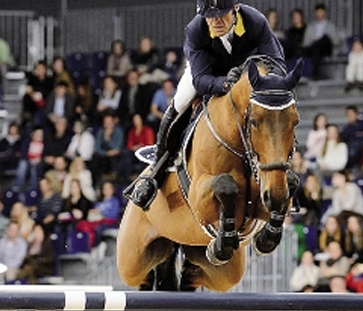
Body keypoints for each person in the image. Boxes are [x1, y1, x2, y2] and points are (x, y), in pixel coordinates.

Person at [131, 0, 287, 208]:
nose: (215, 21)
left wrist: (264, 81)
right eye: (209, 16)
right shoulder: (196, 29)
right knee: (179, 102)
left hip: (245, 75)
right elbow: (200, 79)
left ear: (236, 8)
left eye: (222, 14)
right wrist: (224, 83)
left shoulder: (255, 21)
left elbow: (277, 62)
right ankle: (155, 173)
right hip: (209, 74)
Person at [302, 3, 339, 79]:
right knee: (316, 47)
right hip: (314, 48)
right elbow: (305, 43)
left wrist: (322, 40)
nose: (320, 14)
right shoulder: (310, 27)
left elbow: (336, 41)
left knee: (324, 38)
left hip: (326, 48)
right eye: (318, 12)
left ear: (325, 13)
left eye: (322, 12)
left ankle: (315, 74)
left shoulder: (330, 26)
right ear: (315, 13)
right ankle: (315, 74)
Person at [22, 61, 54, 128]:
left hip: (45, 106)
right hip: (33, 105)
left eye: (41, 68)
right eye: (38, 69)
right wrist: (33, 94)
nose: (40, 71)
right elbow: (28, 90)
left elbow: (49, 93)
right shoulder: (32, 80)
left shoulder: (50, 81)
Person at [13, 127, 44, 191]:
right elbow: (23, 152)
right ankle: (17, 187)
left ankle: (33, 188)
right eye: (37, 134)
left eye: (40, 134)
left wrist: (39, 159)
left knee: (34, 169)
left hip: (38, 161)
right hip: (27, 159)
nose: (38, 136)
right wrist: (29, 159)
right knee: (22, 165)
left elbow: (45, 154)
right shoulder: (28, 142)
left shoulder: (44, 144)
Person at [340, 105, 363, 170]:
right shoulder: (345, 130)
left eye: (352, 114)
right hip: (352, 157)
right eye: (348, 114)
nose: (350, 116)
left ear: (356, 114)